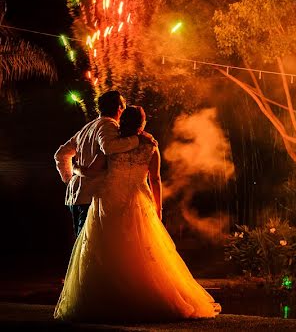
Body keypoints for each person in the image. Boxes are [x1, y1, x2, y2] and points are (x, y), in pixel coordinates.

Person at [54, 106, 221, 322]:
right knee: (142, 249)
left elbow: (93, 171)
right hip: (138, 199)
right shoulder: (150, 146)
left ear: (123, 121)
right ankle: (145, 298)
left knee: (106, 249)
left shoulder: (112, 147)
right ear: (143, 123)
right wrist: (158, 208)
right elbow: (156, 179)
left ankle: (107, 300)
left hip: (109, 199)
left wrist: (74, 169)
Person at [54, 91, 155, 238]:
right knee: (88, 244)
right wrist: (137, 140)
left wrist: (69, 180)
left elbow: (61, 154)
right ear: (120, 107)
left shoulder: (87, 128)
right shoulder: (108, 125)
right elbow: (109, 147)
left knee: (81, 245)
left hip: (75, 196)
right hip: (91, 196)